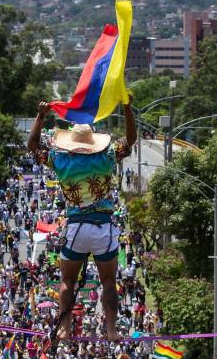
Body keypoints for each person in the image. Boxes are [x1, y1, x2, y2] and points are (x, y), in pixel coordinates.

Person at [27, 96, 137, 341]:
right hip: (103, 227)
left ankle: (65, 327)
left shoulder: (61, 160)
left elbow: (32, 146)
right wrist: (128, 108)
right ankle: (111, 329)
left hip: (76, 228)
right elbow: (130, 140)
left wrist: (40, 116)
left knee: (67, 280)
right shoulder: (105, 157)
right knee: (108, 282)